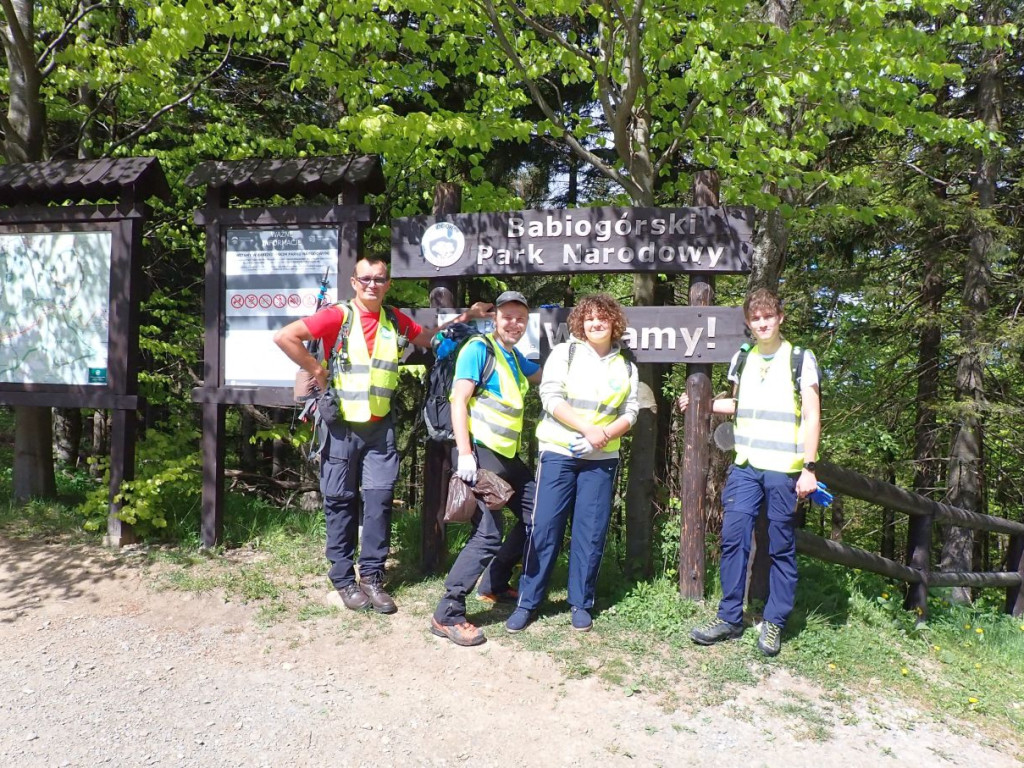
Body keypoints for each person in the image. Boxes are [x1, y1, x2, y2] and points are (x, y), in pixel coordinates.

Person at [274, 256, 492, 615]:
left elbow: (430, 337)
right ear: (354, 282)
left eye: (379, 278)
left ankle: (372, 578)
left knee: (378, 503)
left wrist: (466, 317)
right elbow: (285, 336)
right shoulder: (338, 316)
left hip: (380, 428)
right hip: (342, 425)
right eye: (366, 279)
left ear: (387, 283)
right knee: (341, 501)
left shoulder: (393, 319)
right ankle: (343, 578)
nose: (372, 284)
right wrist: (316, 369)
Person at [677, 287, 821, 656]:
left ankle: (774, 622)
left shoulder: (800, 359)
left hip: (784, 471)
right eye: (755, 318)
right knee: (733, 539)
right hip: (745, 466)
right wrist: (701, 403)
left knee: (780, 546)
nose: (762, 323)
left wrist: (809, 467)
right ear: (749, 322)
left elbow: (812, 415)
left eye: (767, 316)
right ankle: (729, 617)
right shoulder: (743, 358)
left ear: (780, 318)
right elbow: (740, 405)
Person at [505, 294, 639, 634]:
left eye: (603, 318)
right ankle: (528, 602)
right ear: (581, 322)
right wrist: (587, 430)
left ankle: (581, 603)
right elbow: (550, 397)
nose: (596, 324)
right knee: (545, 527)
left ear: (613, 323)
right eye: (590, 318)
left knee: (590, 534)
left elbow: (631, 412)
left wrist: (604, 434)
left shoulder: (626, 366)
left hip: (601, 459)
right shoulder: (565, 353)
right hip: (558, 453)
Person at [430, 290, 543, 646]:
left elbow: (542, 376)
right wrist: (464, 453)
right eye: (507, 316)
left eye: (521, 318)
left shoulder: (513, 356)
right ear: (495, 319)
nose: (514, 323)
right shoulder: (478, 349)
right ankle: (447, 613)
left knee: (539, 515)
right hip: (480, 455)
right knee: (489, 533)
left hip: (507, 457)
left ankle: (494, 582)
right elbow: (459, 400)